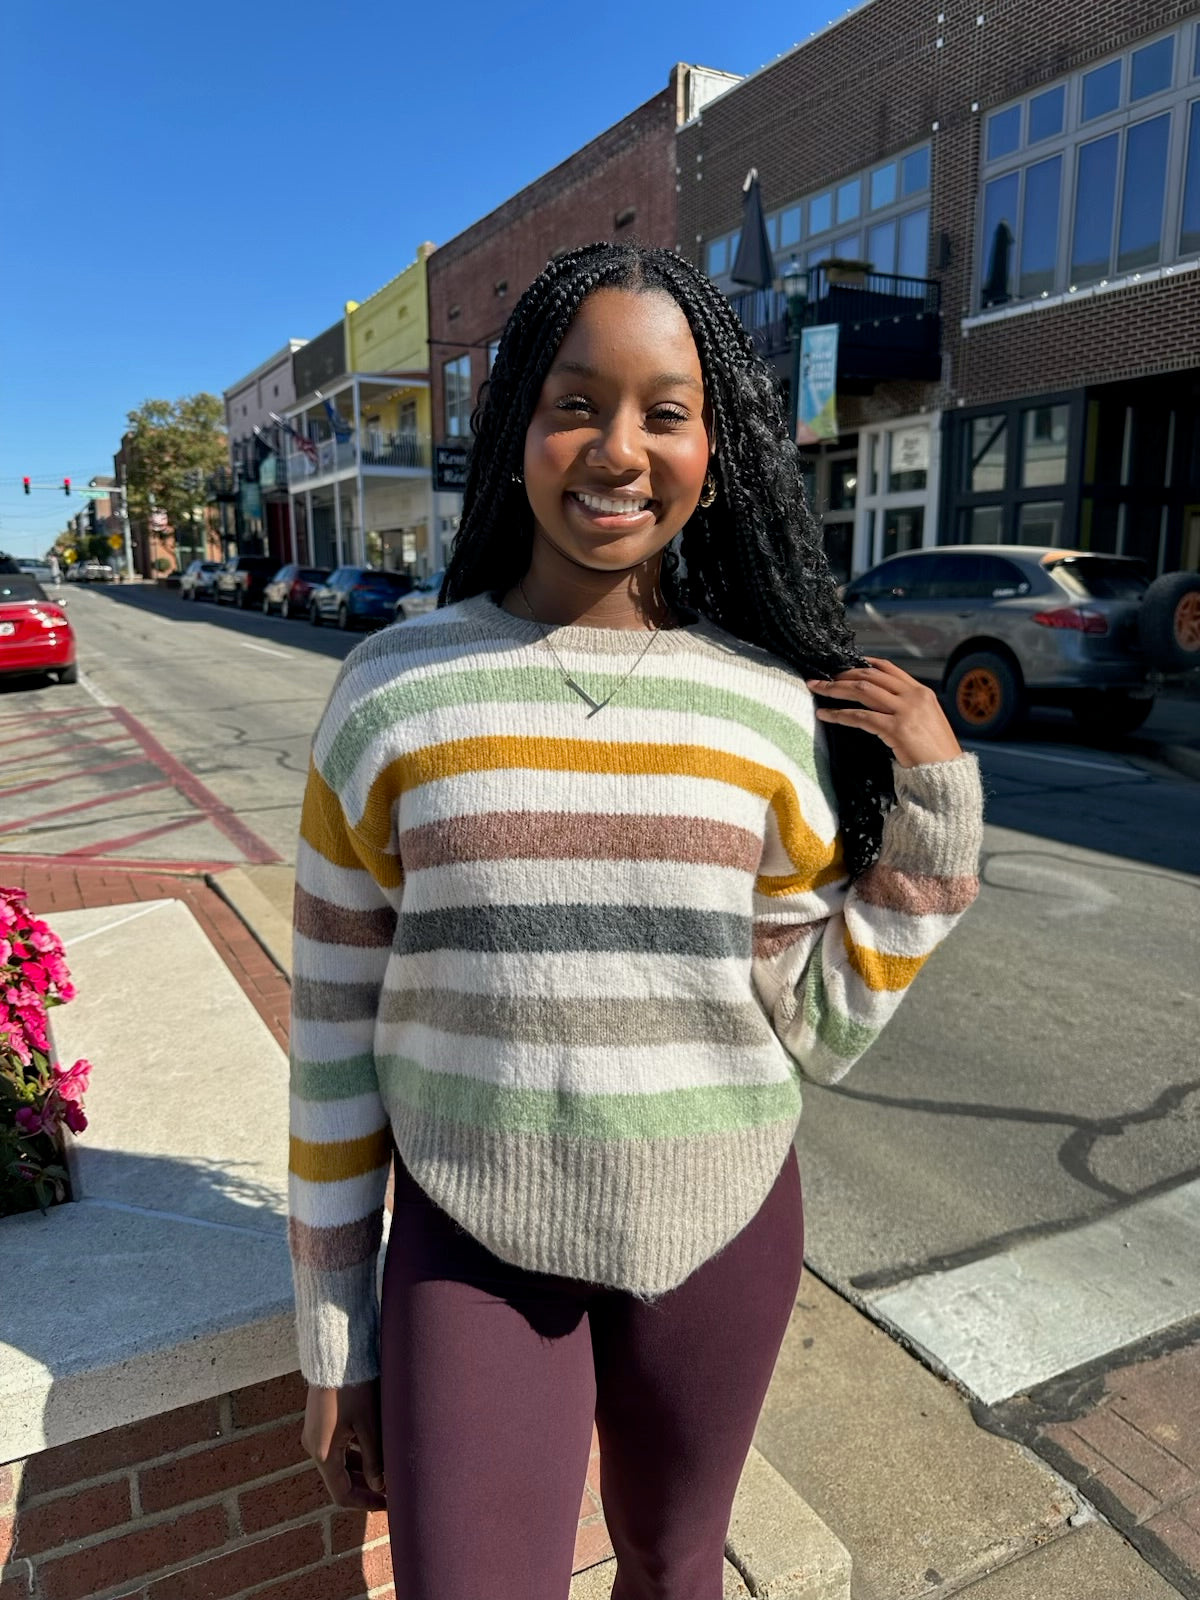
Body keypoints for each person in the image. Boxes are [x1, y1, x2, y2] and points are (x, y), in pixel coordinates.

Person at [289, 241, 984, 1600]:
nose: (618, 449)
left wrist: (936, 810)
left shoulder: (768, 708)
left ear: (714, 448)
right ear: (515, 434)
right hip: (469, 1243)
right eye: (574, 403)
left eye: (665, 410)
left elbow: (821, 1025)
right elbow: (330, 1040)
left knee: (676, 1575)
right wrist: (337, 1342)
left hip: (720, 1229)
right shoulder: (391, 695)